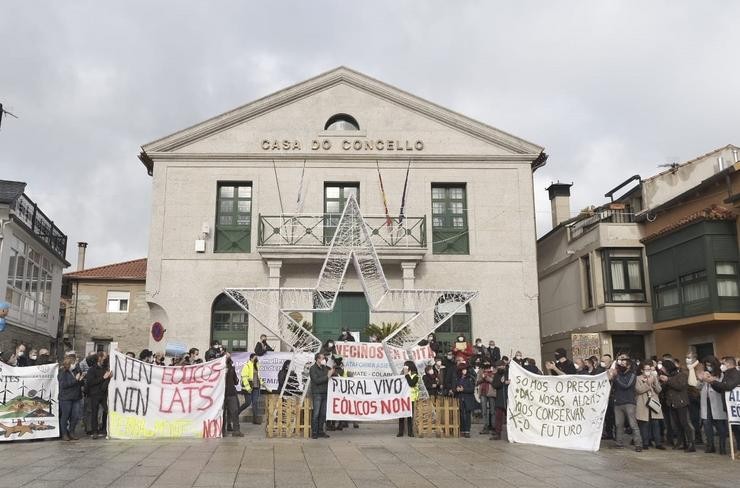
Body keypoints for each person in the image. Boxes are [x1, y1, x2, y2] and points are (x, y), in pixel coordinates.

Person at [659, 359, 695, 452]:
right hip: (671, 403)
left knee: (685, 423)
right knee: (676, 424)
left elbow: (680, 386)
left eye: (663, 367)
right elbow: (663, 389)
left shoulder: (681, 375)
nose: (662, 369)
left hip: (681, 402)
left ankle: (691, 443)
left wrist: (668, 380)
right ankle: (681, 442)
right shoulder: (667, 376)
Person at [706, 356, 740, 453]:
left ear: (728, 364)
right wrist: (712, 383)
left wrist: (713, 381)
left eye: (723, 364)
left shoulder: (734, 373)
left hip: (736, 405)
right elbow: (722, 389)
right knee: (735, 429)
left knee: (738, 428)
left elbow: (728, 386)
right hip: (731, 406)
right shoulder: (727, 373)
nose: (722, 366)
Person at [609, 356, 642, 451]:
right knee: (618, 424)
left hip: (629, 403)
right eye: (620, 364)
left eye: (624, 364)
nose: (621, 366)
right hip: (618, 402)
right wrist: (611, 377)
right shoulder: (617, 374)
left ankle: (638, 444)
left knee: (633, 424)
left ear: (628, 366)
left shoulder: (632, 375)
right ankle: (619, 443)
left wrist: (616, 377)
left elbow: (626, 385)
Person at [698, 355, 727, 454]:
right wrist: (701, 379)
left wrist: (710, 379)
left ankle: (722, 447)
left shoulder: (721, 374)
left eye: (710, 365)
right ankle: (710, 446)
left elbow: (721, 387)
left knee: (720, 425)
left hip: (717, 402)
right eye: (706, 365)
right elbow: (698, 387)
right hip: (706, 403)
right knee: (707, 425)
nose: (708, 367)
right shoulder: (704, 373)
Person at [635, 361, 665, 450]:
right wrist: (647, 383)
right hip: (643, 403)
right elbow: (639, 390)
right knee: (645, 423)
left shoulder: (654, 377)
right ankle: (645, 442)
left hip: (653, 402)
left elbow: (659, 390)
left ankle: (658, 443)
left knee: (656, 423)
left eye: (649, 369)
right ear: (641, 370)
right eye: (646, 369)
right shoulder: (637, 378)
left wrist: (654, 382)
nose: (648, 371)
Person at [85, 352, 111, 439]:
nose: (105, 360)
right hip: (95, 393)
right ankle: (94, 431)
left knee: (107, 411)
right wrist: (103, 378)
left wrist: (108, 377)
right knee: (94, 412)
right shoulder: (92, 369)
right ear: (99, 358)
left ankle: (106, 428)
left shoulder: (104, 368)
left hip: (103, 393)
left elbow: (106, 379)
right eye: (104, 358)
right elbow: (91, 382)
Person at [59, 356, 83, 441]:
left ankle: (71, 432)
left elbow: (78, 384)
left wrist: (80, 379)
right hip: (66, 398)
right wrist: (75, 380)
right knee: (65, 416)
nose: (76, 364)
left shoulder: (75, 371)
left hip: (76, 397)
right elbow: (64, 385)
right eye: (74, 363)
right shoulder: (62, 372)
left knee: (75, 416)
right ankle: (64, 433)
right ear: (70, 363)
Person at [309, 353, 332, 439]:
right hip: (317, 393)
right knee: (316, 413)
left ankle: (321, 431)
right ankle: (314, 432)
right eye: (322, 358)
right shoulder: (313, 369)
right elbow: (316, 380)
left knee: (323, 414)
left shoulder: (325, 368)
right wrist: (327, 376)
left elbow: (329, 375)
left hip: (325, 393)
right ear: (317, 359)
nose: (324, 360)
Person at [685, 349, 704, 446]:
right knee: (694, 418)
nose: (687, 359)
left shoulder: (699, 367)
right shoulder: (687, 368)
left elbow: (699, 381)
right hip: (690, 395)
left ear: (694, 358)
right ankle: (697, 436)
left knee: (702, 418)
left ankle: (700, 435)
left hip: (699, 395)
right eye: (686, 357)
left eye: (689, 357)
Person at [240, 353, 264, 424]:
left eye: (256, 358)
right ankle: (237, 413)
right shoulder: (247, 365)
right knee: (248, 403)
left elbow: (259, 376)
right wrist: (248, 388)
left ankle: (255, 420)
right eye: (255, 358)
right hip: (249, 387)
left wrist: (262, 383)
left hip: (256, 387)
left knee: (255, 403)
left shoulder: (257, 365)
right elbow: (244, 377)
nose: (256, 359)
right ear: (251, 358)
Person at [398, 360, 419, 437]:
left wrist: (406, 375)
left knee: (409, 416)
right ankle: (400, 432)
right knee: (401, 415)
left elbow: (412, 384)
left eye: (406, 366)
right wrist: (403, 373)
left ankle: (410, 432)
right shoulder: (402, 374)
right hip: (403, 397)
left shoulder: (415, 375)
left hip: (411, 398)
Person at [224, 354, 243, 437]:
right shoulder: (219, 369)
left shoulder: (231, 368)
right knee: (223, 413)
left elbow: (236, 381)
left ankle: (236, 430)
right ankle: (223, 430)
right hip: (222, 394)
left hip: (230, 393)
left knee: (234, 412)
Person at [489, 360, 509, 440]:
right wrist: (502, 382)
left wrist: (508, 382)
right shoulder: (497, 375)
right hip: (500, 399)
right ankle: (498, 433)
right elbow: (494, 385)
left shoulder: (509, 373)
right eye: (498, 367)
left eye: (500, 366)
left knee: (510, 417)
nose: (499, 368)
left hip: (508, 399)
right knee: (498, 417)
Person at [455, 363, 476, 438]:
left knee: (467, 415)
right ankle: (462, 430)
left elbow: (472, 389)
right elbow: (455, 386)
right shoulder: (458, 378)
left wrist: (464, 389)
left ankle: (467, 431)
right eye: (463, 370)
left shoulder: (470, 378)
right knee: (460, 414)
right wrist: (456, 389)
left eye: (465, 369)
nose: (464, 371)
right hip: (460, 398)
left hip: (468, 398)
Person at [476, 361, 495, 434]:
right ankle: (485, 427)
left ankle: (493, 426)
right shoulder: (480, 371)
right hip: (483, 393)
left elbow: (494, 381)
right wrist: (482, 378)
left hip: (491, 393)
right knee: (484, 411)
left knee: (492, 411)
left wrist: (487, 378)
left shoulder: (494, 371)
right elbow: (477, 382)